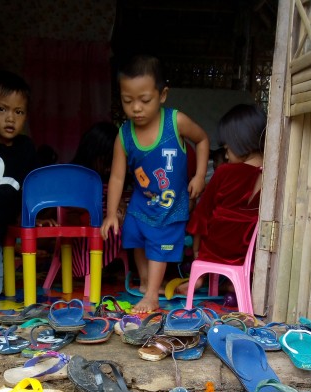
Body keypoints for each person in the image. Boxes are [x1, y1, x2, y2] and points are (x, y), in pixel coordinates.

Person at [101, 55, 209, 313]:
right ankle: (148, 282)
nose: (136, 108)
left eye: (144, 100)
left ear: (162, 95)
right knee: (136, 237)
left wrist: (199, 175)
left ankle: (151, 296)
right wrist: (110, 214)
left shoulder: (176, 122)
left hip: (171, 204)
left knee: (159, 242)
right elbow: (116, 177)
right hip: (142, 201)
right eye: (128, 101)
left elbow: (203, 139)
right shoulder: (124, 134)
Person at [176, 103, 267, 296]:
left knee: (202, 220)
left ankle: (199, 274)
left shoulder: (225, 172)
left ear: (239, 141)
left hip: (218, 246)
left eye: (227, 149)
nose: (225, 155)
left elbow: (203, 213)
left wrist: (196, 248)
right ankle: (238, 283)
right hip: (249, 250)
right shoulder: (272, 174)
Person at [0, 70, 37, 298]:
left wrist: (33, 218)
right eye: (1, 109)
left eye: (18, 111)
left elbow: (32, 191)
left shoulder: (26, 149)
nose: (10, 118)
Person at [69, 121, 129, 277]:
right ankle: (90, 267)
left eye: (114, 161)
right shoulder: (77, 177)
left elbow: (120, 203)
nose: (110, 167)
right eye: (107, 161)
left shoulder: (112, 179)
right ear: (92, 154)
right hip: (83, 233)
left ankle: (108, 264)